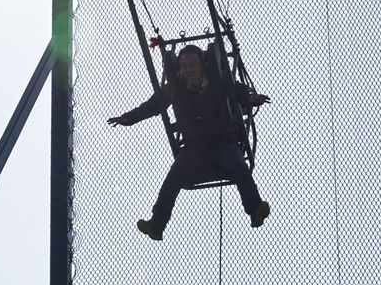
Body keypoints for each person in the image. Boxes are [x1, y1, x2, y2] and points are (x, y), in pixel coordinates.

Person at [109, 42, 270, 241]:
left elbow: (239, 91)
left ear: (203, 65)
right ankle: (157, 224)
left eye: (193, 65)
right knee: (173, 178)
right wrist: (128, 118)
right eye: (184, 66)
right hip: (195, 147)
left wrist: (250, 98)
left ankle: (255, 210)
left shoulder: (220, 81)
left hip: (223, 141)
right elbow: (152, 106)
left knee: (239, 166)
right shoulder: (174, 89)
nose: (189, 70)